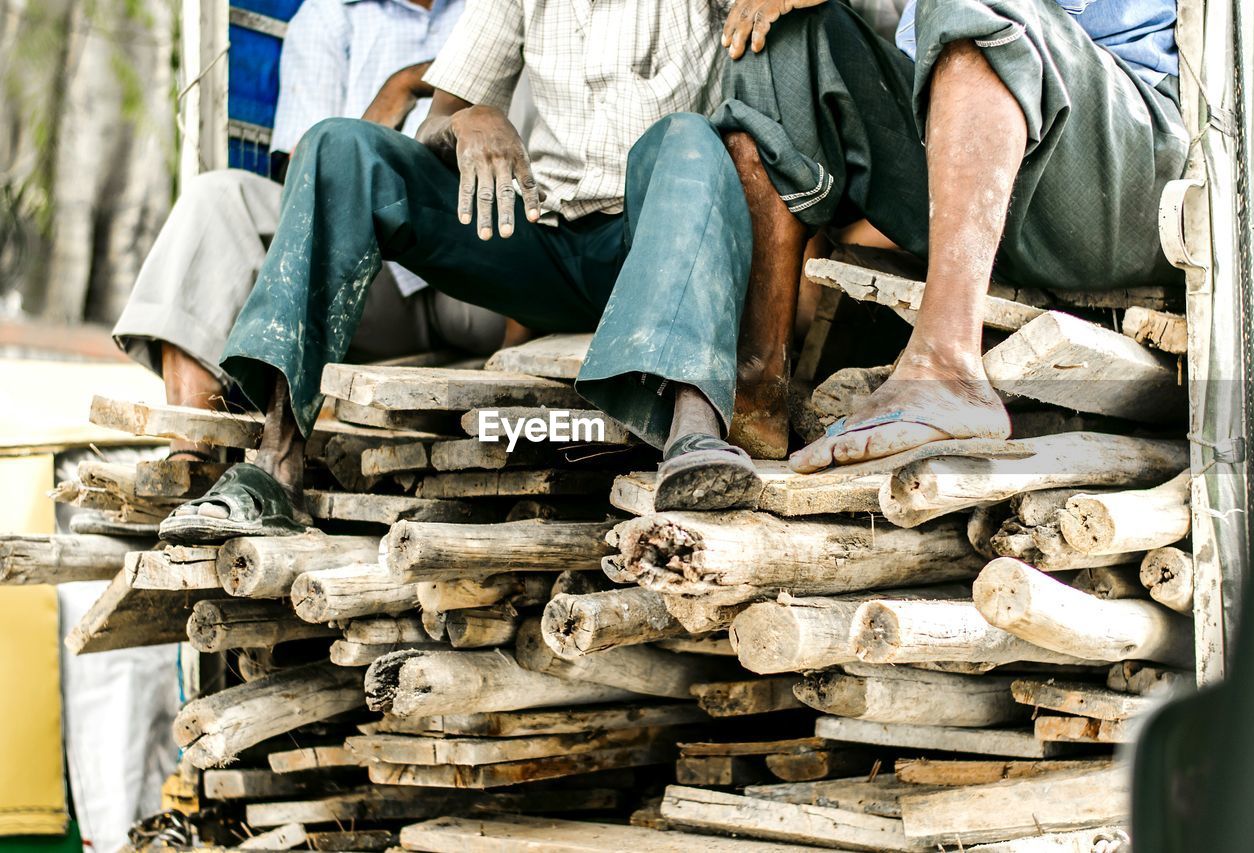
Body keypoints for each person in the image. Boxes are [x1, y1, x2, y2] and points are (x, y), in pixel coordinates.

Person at [158, 0, 776, 543]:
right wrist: (466, 121)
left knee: (690, 135)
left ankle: (695, 436)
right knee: (337, 145)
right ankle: (276, 465)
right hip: (544, 244)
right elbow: (438, 118)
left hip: (657, 245)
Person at [715, 0, 1187, 473]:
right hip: (971, 157)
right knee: (779, 30)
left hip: (1117, 173)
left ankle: (946, 368)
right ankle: (755, 397)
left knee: (964, 8)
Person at [113, 0, 507, 465]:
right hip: (368, 285)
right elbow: (306, 176)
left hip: (481, 272)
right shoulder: (327, 16)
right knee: (214, 198)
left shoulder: (499, 12)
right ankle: (190, 458)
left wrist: (432, 81)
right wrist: (394, 92)